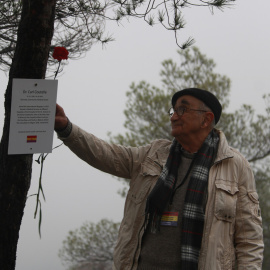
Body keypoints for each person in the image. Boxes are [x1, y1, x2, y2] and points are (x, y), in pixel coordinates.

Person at [55, 88, 264, 270]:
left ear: (206, 119)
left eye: (182, 109)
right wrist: (67, 129)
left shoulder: (234, 164)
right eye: (173, 110)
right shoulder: (154, 154)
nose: (173, 117)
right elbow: (108, 155)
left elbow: (249, 240)